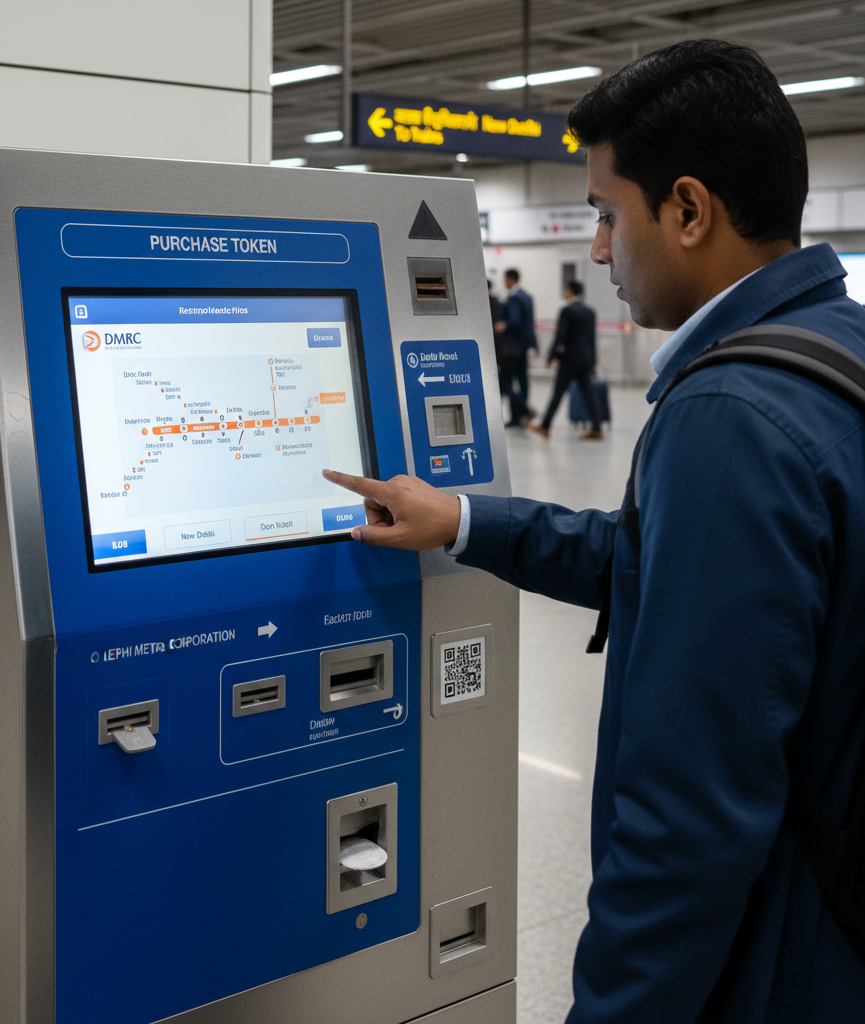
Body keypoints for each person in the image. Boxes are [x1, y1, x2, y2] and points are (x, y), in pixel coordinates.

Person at [324, 39, 865, 1023]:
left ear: (689, 210)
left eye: (609, 215)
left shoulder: (730, 419)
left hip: (786, 964)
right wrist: (468, 521)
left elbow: (687, 823)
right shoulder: (838, 351)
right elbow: (660, 567)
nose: (602, 249)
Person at [529, 280, 603, 439]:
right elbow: (592, 338)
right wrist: (594, 361)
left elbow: (560, 336)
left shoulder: (567, 311)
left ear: (570, 291)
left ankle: (545, 426)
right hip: (585, 359)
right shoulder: (590, 311)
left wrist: (552, 356)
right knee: (589, 394)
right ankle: (597, 428)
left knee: (557, 393)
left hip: (569, 360)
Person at [494, 268, 538, 424]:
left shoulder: (513, 298)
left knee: (507, 381)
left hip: (512, 347)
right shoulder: (527, 296)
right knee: (523, 380)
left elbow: (515, 320)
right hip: (525, 345)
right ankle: (522, 415)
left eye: (506, 280)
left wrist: (503, 325)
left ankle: (520, 412)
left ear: (510, 279)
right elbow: (529, 323)